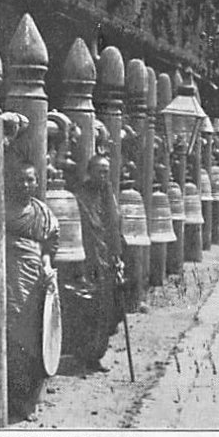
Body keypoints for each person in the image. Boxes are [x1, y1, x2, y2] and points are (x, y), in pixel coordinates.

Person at [5, 161, 60, 421]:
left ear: (37, 182)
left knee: (36, 340)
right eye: (21, 180)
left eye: (30, 180)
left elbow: (50, 244)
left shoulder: (42, 212)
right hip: (10, 281)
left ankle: (31, 400)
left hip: (36, 282)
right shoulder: (1, 209)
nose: (25, 185)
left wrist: (47, 264)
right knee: (14, 341)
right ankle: (14, 401)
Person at [75, 154, 124, 371]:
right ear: (90, 172)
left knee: (105, 311)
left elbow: (113, 228)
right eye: (100, 171)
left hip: (105, 263)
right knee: (88, 312)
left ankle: (97, 354)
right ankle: (84, 355)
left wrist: (117, 256)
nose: (104, 176)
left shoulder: (107, 195)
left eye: (107, 171)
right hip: (87, 262)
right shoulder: (80, 197)